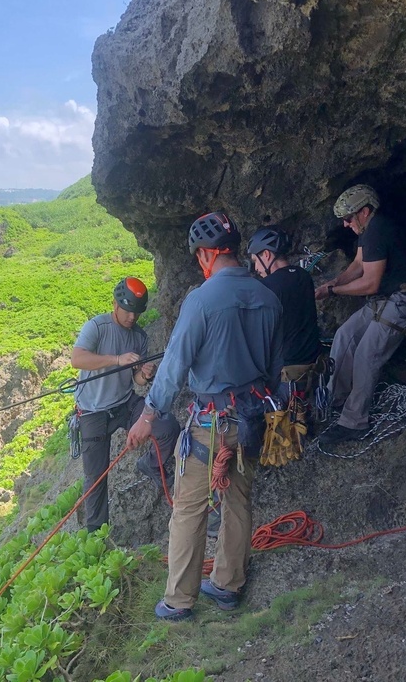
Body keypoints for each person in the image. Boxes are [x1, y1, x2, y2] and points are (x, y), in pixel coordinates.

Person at [125, 212, 282, 620]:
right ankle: (228, 585)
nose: (200, 263)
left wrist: (148, 415)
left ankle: (179, 600)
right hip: (250, 420)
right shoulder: (269, 297)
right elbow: (277, 365)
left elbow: (175, 364)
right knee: (238, 501)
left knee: (190, 509)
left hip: (210, 423)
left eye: (200, 256)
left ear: (208, 255)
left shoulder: (201, 299)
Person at [314, 184, 406, 444]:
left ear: (365, 211)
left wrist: (335, 292)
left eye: (348, 218)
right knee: (344, 335)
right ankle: (336, 399)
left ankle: (354, 422)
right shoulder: (368, 231)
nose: (345, 224)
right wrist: (331, 284)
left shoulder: (379, 229)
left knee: (367, 352)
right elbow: (357, 264)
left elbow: (370, 284)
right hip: (387, 297)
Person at [70, 277, 181, 532]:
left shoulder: (139, 337)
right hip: (92, 411)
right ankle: (96, 534)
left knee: (167, 427)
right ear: (115, 304)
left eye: (137, 311)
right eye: (128, 309)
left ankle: (151, 464)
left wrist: (145, 374)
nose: (132, 316)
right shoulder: (96, 327)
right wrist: (116, 359)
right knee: (96, 478)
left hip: (124, 404)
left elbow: (136, 380)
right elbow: (77, 359)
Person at [247, 226, 322, 406]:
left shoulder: (267, 287)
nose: (256, 268)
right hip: (314, 367)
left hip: (287, 374)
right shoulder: (304, 276)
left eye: (255, 260)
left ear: (266, 255)